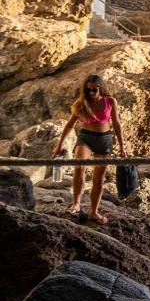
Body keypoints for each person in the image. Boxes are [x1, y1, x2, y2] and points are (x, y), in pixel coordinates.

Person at [51, 73, 124, 224]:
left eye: (93, 90)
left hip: (104, 140)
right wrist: (59, 145)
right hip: (86, 137)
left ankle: (93, 212)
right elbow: (70, 124)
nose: (90, 93)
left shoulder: (110, 101)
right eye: (88, 90)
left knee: (99, 178)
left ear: (100, 88)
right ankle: (76, 203)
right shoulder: (81, 103)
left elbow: (116, 123)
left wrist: (123, 146)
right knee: (79, 168)